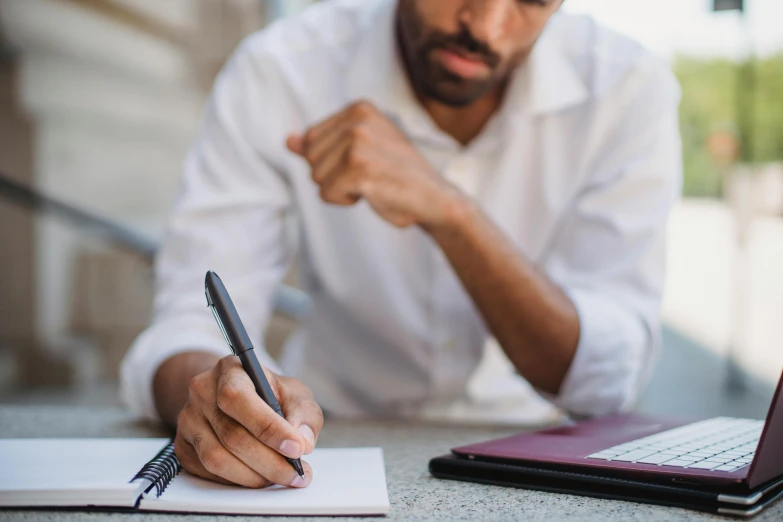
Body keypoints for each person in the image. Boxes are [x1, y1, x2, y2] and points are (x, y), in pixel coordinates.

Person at [121, 0, 682, 490]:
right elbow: (188, 324)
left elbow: (606, 377)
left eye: (532, 0)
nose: (485, 25)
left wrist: (452, 213)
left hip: (540, 450)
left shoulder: (628, 88)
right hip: (329, 438)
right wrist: (220, 399)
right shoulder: (281, 68)